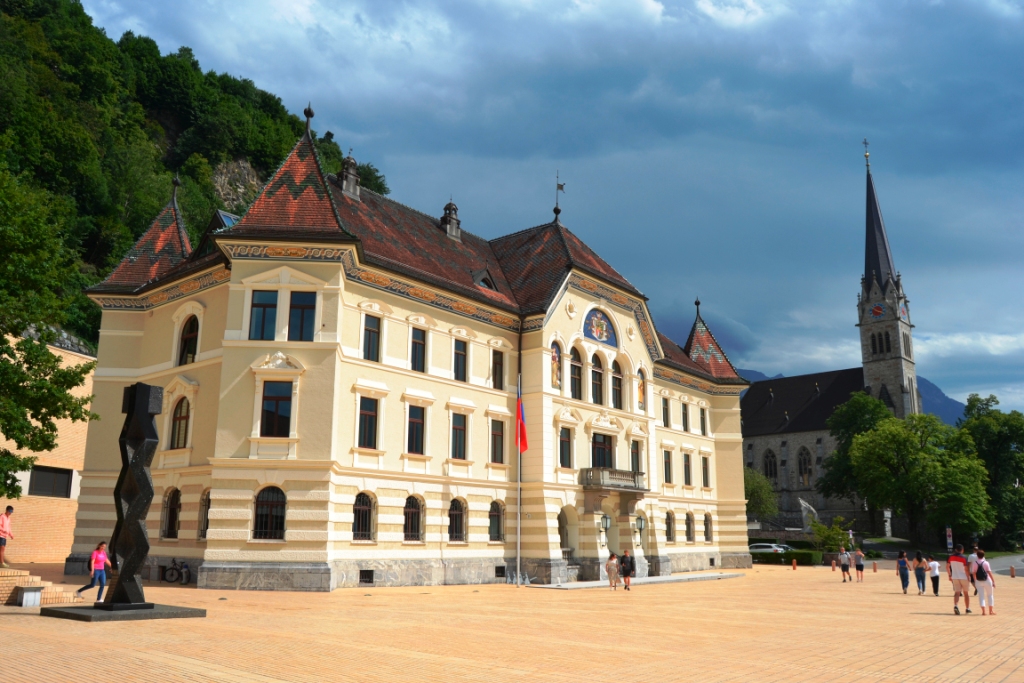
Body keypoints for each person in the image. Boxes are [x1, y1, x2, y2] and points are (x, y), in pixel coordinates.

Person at [947, 544, 972, 615]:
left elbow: (947, 566)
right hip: (963, 576)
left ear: (956, 549)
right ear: (962, 550)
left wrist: (949, 575)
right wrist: (968, 576)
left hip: (955, 576)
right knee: (966, 593)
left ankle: (956, 605)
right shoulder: (964, 557)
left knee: (957, 592)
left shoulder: (951, 557)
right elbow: (966, 569)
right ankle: (967, 608)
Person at [973, 549, 995, 616]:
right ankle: (991, 611)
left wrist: (975, 580)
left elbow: (974, 573)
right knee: (990, 595)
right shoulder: (986, 563)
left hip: (978, 581)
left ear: (977, 555)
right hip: (987, 580)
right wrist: (993, 581)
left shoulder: (975, 563)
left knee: (981, 596)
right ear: (983, 555)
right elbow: (989, 572)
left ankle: (983, 611)